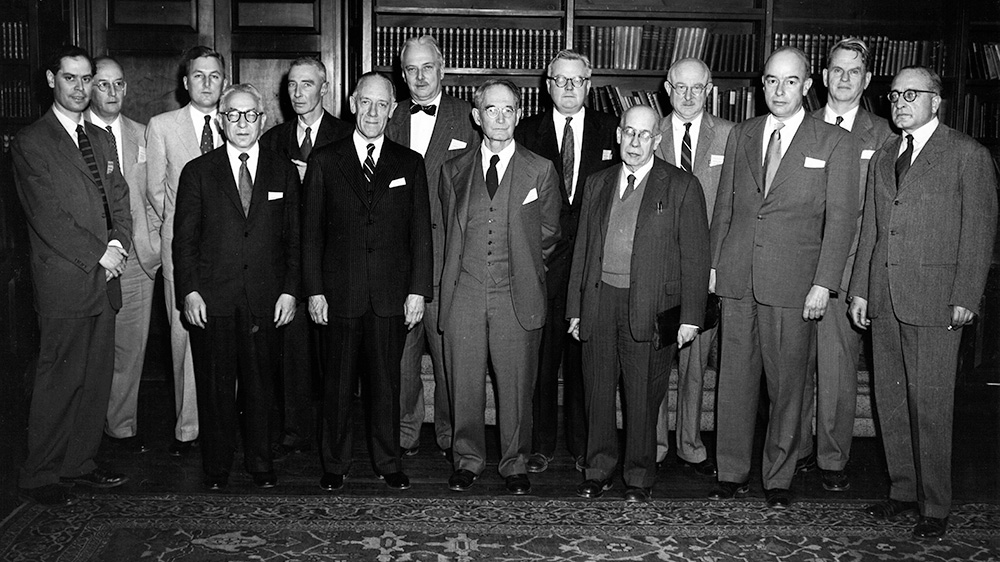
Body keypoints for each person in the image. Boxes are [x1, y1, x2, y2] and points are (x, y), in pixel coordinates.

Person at [848, 66, 997, 539]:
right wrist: (861, 288)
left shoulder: (966, 154)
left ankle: (935, 505)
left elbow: (979, 229)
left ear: (937, 101)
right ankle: (902, 492)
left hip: (936, 300)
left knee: (929, 404)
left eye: (912, 94)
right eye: (894, 96)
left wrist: (966, 295)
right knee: (889, 400)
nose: (900, 102)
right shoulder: (885, 154)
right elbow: (872, 227)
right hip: (885, 296)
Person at [709, 46, 859, 509]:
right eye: (772, 80)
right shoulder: (743, 134)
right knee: (734, 380)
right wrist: (713, 266)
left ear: (807, 86)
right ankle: (731, 472)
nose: (779, 90)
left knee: (788, 385)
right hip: (737, 278)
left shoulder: (834, 141)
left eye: (790, 81)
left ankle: (778, 477)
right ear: (761, 84)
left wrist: (824, 283)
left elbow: (841, 221)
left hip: (795, 285)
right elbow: (727, 209)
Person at [567, 105, 710, 502]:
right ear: (618, 134)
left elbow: (697, 257)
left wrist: (691, 318)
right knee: (597, 390)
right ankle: (598, 469)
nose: (634, 142)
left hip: (649, 307)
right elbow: (583, 249)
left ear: (657, 140)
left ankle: (639, 477)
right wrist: (575, 310)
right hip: (599, 303)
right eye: (629, 133)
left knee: (644, 396)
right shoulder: (597, 183)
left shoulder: (681, 185)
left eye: (644, 135)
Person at [12, 45, 132, 505]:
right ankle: (39, 473)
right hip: (66, 280)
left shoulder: (100, 138)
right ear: (51, 80)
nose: (81, 89)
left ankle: (78, 464)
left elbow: (118, 200)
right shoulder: (31, 142)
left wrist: (118, 245)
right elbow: (48, 217)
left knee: (95, 379)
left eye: (87, 79)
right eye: (71, 79)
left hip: (107, 277)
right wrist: (100, 254)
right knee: (58, 380)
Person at [302, 72, 432, 492]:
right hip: (339, 294)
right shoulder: (325, 159)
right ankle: (335, 462)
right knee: (336, 386)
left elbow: (420, 236)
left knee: (385, 386)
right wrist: (315, 290)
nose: (373, 112)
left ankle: (387, 461)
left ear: (392, 109)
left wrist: (418, 291)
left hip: (391, 296)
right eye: (366, 103)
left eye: (382, 105)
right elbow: (312, 233)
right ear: (353, 103)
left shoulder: (409, 163)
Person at [173, 83, 300, 491]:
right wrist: (189, 291)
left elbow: (295, 238)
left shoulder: (283, 169)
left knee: (261, 386)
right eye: (233, 115)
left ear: (263, 120)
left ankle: (261, 463)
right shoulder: (198, 171)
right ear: (221, 120)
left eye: (250, 115)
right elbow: (184, 241)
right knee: (215, 387)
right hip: (213, 300)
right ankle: (216, 466)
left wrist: (289, 290)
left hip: (267, 298)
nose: (242, 123)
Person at [439, 79, 561, 495]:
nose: (502, 117)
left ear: (518, 114)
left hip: (516, 294)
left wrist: (522, 270)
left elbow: (549, 232)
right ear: (477, 116)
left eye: (509, 109)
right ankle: (467, 459)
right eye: (493, 109)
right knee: (464, 383)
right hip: (465, 294)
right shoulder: (453, 170)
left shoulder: (540, 169)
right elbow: (450, 234)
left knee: (515, 384)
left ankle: (514, 464)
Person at [795, 38, 893, 492]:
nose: (845, 78)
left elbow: (880, 217)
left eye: (854, 71)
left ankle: (833, 460)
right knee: (793, 365)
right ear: (824, 74)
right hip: (795, 266)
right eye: (837, 69)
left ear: (867, 79)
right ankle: (794, 452)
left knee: (836, 371)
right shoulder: (800, 124)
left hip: (849, 269)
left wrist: (862, 283)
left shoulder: (884, 136)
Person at [514, 49, 619, 474]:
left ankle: (582, 445)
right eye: (561, 80)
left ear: (589, 85)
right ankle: (541, 444)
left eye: (578, 80)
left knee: (585, 357)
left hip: (595, 264)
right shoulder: (525, 132)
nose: (570, 88)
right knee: (542, 355)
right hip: (544, 263)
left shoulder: (612, 130)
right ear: (548, 85)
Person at [385, 35, 478, 460]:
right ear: (401, 76)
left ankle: (448, 433)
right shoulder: (388, 114)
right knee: (402, 357)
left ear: (442, 70)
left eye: (427, 68)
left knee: (448, 356)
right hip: (399, 258)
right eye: (410, 69)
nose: (419, 77)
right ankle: (405, 432)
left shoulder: (469, 117)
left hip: (448, 259)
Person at [260, 56, 352, 461]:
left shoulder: (346, 135)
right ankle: (296, 433)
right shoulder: (272, 139)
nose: (298, 93)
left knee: (333, 356)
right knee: (294, 353)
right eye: (292, 86)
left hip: (334, 261)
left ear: (324, 87)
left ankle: (335, 437)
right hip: (290, 262)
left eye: (307, 85)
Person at [652, 57, 735, 478]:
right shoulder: (650, 130)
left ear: (708, 90)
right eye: (680, 87)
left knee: (695, 360)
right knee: (656, 357)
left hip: (707, 267)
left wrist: (715, 265)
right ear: (668, 88)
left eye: (696, 88)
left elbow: (732, 207)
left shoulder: (730, 135)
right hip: (658, 268)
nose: (687, 95)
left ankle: (689, 441)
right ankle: (656, 443)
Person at [146, 46, 227, 457]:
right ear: (185, 81)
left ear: (224, 81)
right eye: (199, 75)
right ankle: (187, 427)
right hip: (184, 252)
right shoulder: (161, 127)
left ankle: (222, 424)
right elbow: (156, 192)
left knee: (227, 339)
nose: (207, 83)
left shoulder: (237, 119)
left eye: (214, 76)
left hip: (231, 254)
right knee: (184, 342)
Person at [85, 56, 161, 454]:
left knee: (131, 349)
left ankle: (122, 428)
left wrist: (151, 246)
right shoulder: (76, 135)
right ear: (88, 87)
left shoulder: (144, 133)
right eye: (102, 84)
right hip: (88, 260)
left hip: (134, 259)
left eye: (118, 85)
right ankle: (86, 433)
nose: (112, 93)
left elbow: (155, 194)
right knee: (91, 351)